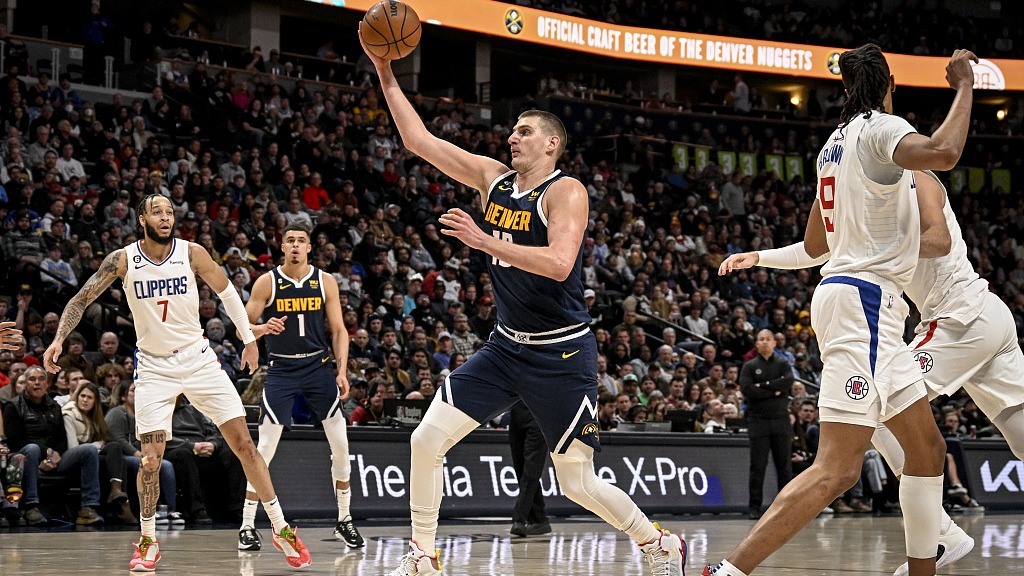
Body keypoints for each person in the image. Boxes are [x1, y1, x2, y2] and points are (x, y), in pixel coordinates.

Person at [359, 27, 686, 576]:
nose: (512, 138)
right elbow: (418, 141)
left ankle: (657, 542)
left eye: (525, 131)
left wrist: (483, 240)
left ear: (552, 143)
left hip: (561, 354)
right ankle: (423, 557)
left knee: (576, 481)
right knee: (425, 439)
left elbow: (559, 263)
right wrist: (384, 69)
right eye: (512, 130)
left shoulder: (566, 191)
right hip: (505, 348)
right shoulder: (493, 180)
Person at [703, 45, 977, 576]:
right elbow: (944, 152)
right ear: (890, 83)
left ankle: (925, 565)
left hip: (863, 302)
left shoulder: (833, 146)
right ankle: (729, 571)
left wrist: (760, 256)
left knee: (925, 449)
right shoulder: (882, 129)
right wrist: (964, 85)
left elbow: (814, 246)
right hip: (865, 302)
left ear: (846, 89)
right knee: (838, 468)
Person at [720, 168, 1024, 575]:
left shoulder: (917, 177)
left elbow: (939, 241)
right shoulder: (854, 184)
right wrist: (761, 257)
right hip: (978, 320)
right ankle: (938, 531)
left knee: (880, 407)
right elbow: (817, 249)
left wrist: (876, 248)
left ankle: (940, 531)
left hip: (961, 318)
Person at [42, 195, 310, 571]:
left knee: (245, 446)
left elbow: (226, 291)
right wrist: (58, 339)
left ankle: (281, 529)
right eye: (158, 212)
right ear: (142, 220)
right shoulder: (122, 260)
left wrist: (249, 337)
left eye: (169, 212)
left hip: (198, 359)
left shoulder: (191, 252)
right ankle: (148, 540)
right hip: (154, 368)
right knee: (150, 460)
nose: (166, 217)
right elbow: (81, 298)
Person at [239, 222, 364, 551]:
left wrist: (342, 371)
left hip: (318, 367)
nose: (295, 245)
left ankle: (345, 519)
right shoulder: (267, 281)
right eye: (290, 240)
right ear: (282, 247)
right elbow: (242, 326)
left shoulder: (325, 281)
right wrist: (262, 328)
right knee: (265, 448)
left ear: (309, 247)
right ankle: (247, 524)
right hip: (281, 368)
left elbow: (339, 330)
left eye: (301, 241)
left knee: (341, 446)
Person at [739, 329, 794, 519]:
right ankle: (754, 507)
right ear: (756, 344)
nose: (764, 342)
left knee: (784, 466)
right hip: (758, 421)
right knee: (758, 466)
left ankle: (787, 506)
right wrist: (774, 390)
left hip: (781, 421)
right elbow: (747, 390)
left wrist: (761, 386)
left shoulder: (782, 363)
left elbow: (788, 381)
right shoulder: (750, 366)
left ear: (774, 343)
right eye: (761, 339)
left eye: (768, 339)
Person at [508, 401, 550, 537]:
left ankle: (519, 519)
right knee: (520, 469)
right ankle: (539, 519)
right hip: (516, 415)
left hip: (539, 418)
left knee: (530, 472)